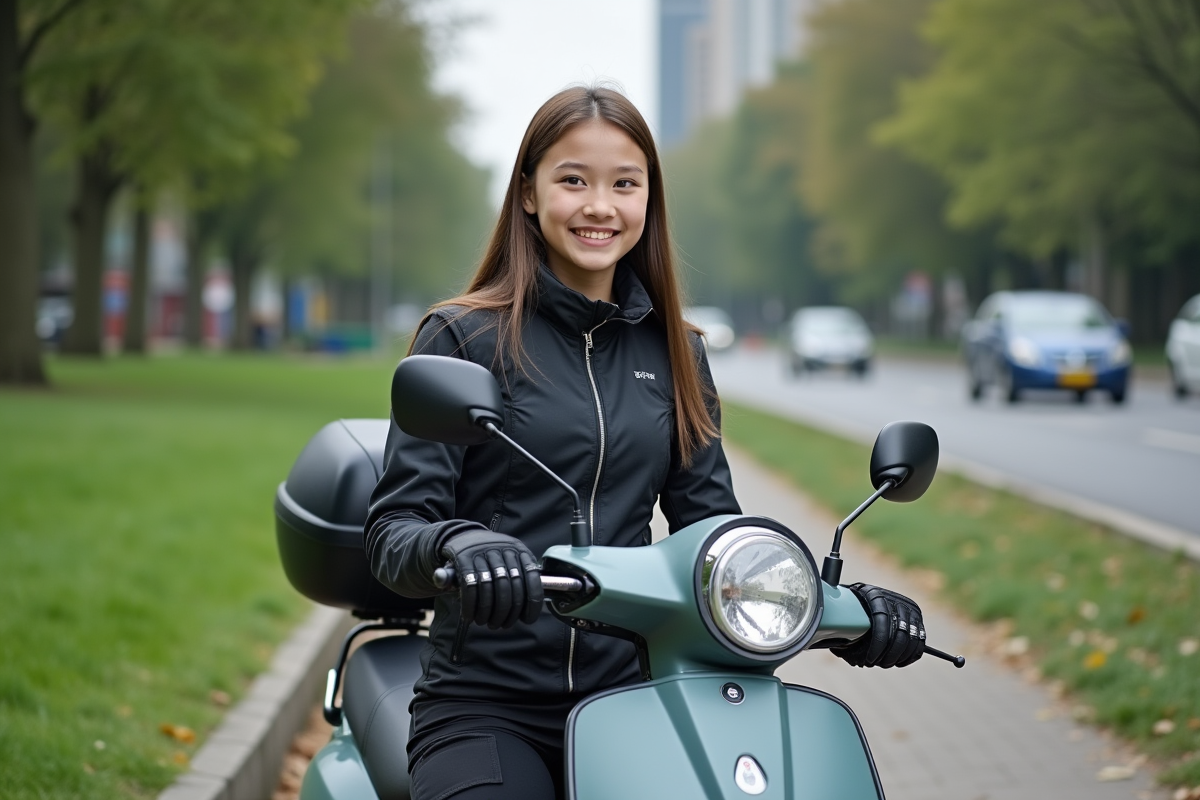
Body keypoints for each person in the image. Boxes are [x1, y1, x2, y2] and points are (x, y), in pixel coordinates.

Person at [365, 85, 925, 800]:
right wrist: (458, 546)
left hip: (639, 695)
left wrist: (844, 612)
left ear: (648, 202)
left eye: (624, 184)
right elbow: (393, 532)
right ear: (529, 195)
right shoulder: (460, 338)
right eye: (573, 180)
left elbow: (716, 534)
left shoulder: (678, 351)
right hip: (486, 703)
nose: (600, 205)